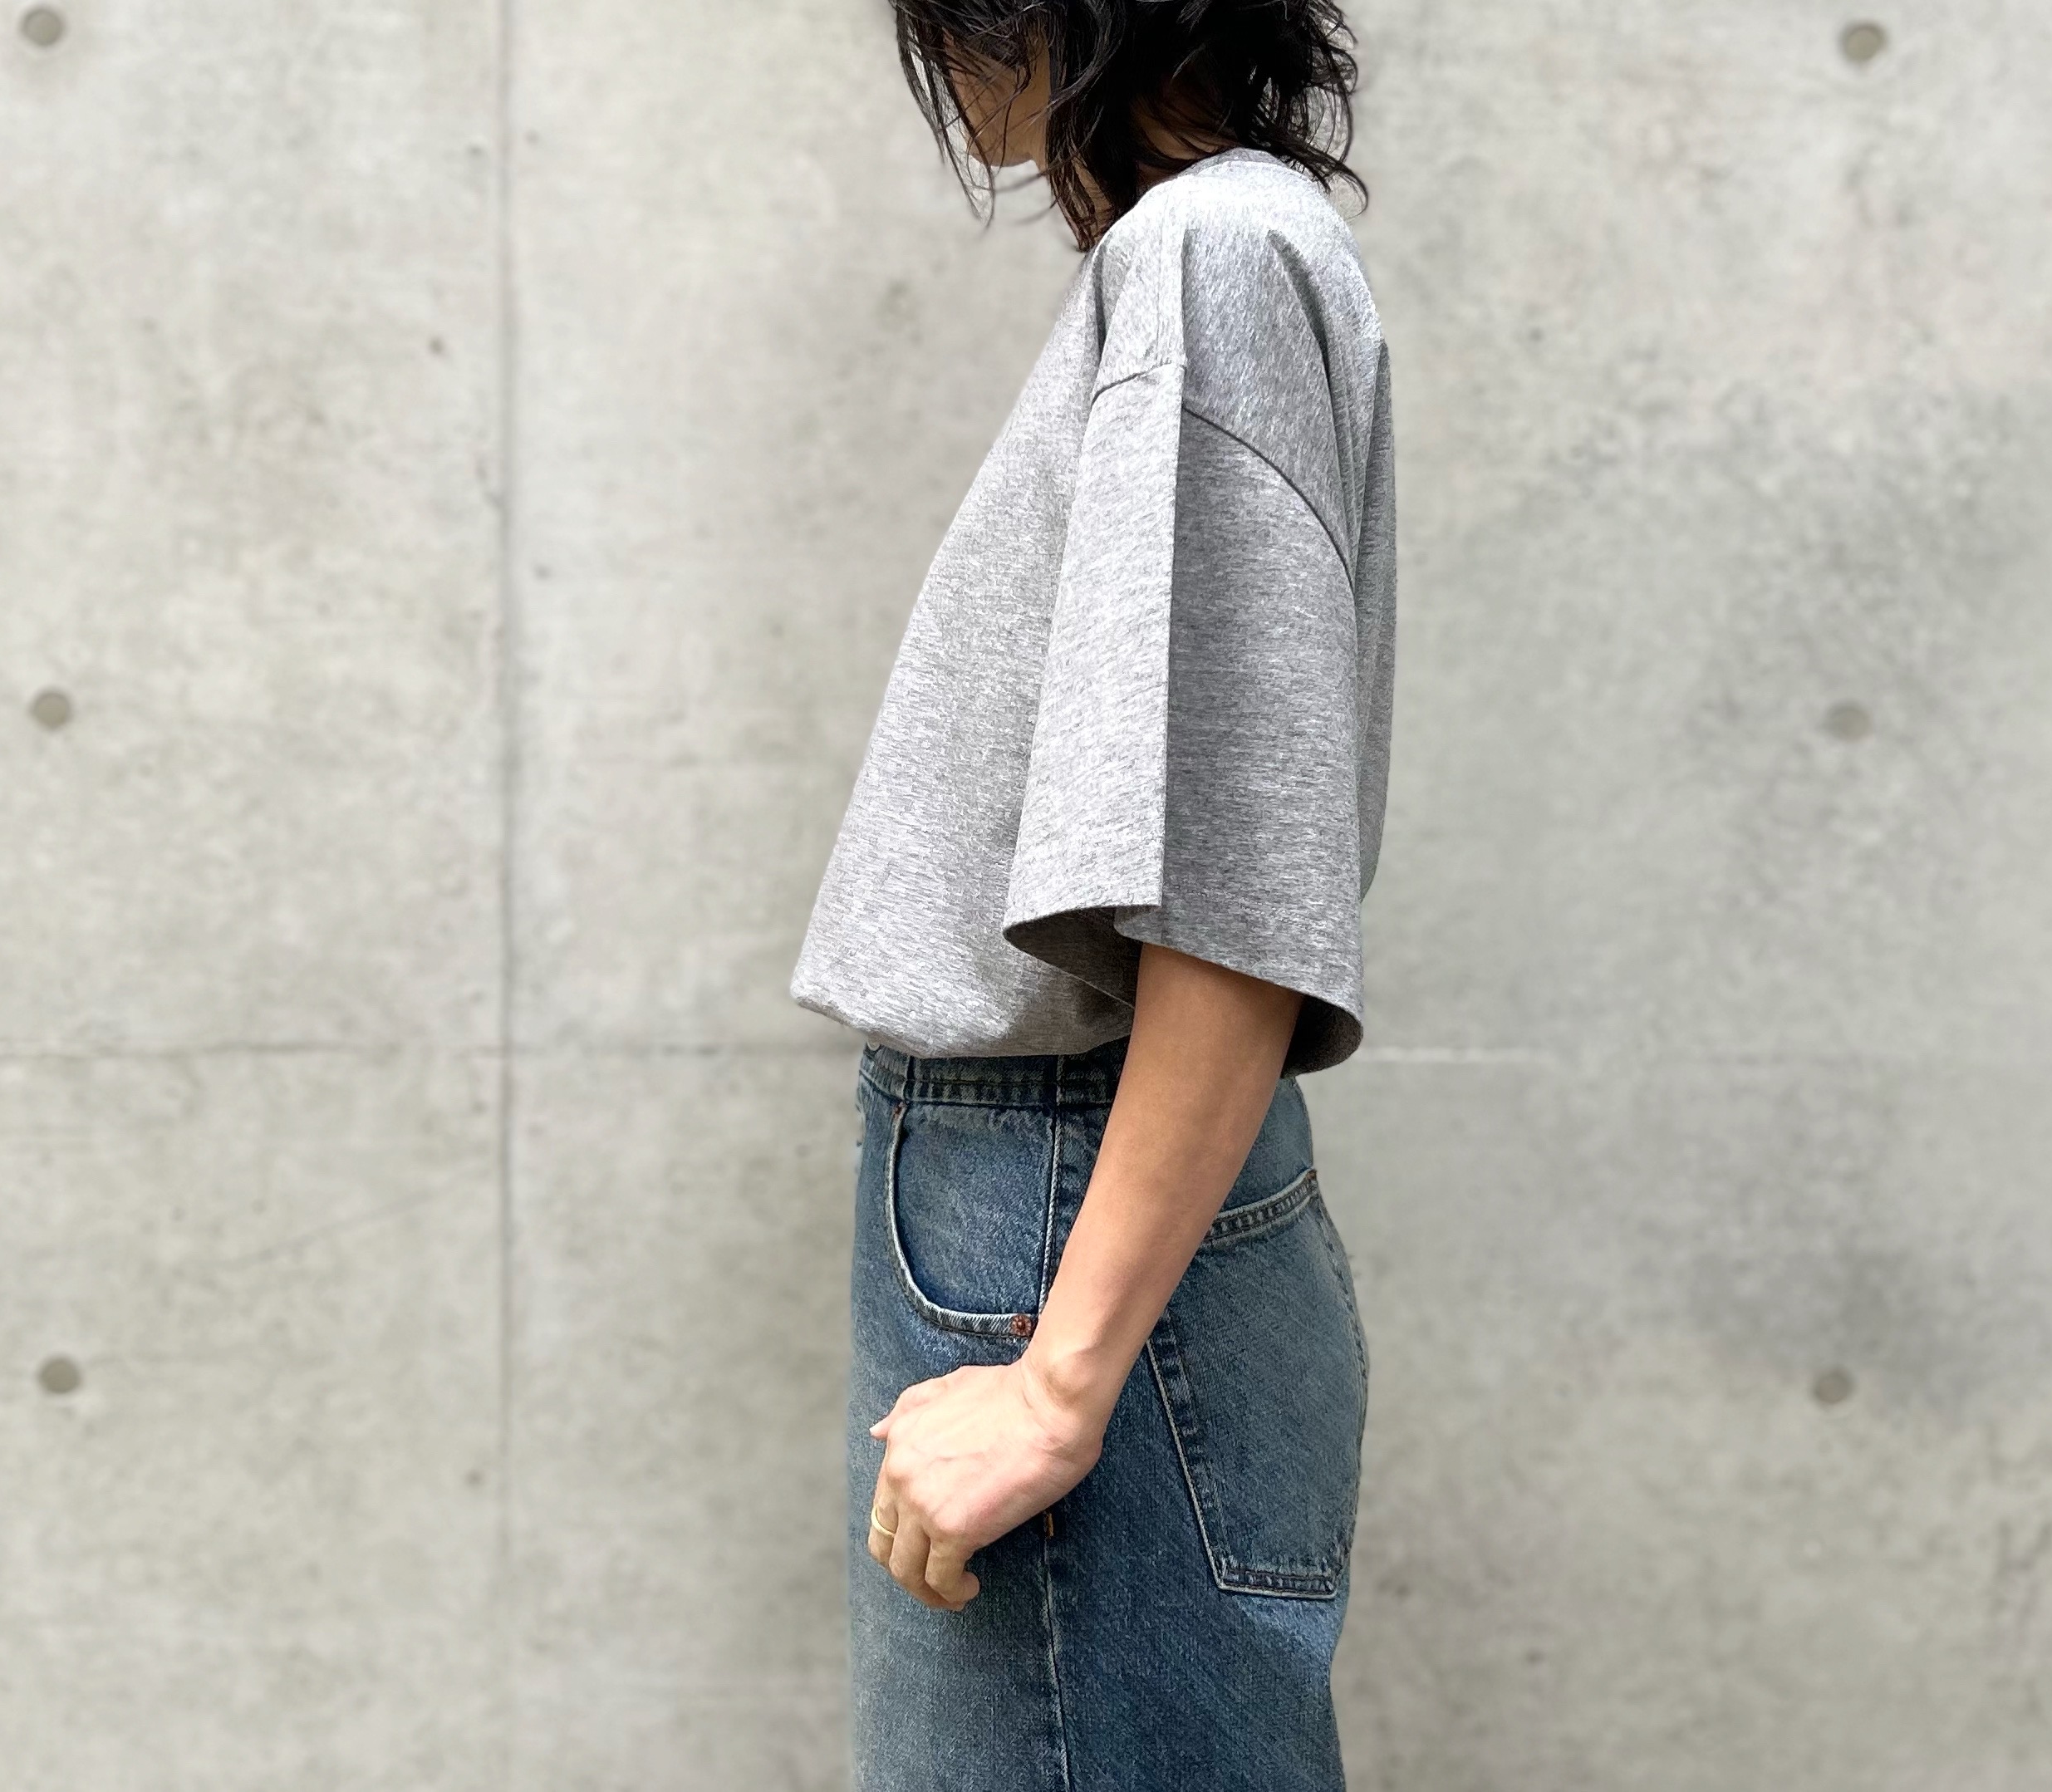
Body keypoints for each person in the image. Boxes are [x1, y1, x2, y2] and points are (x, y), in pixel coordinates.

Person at [790, 3, 1396, 1785]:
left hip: (1058, 1207)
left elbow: (1233, 891)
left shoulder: (1213, 257)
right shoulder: (1218, 251)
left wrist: (1058, 1380)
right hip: (1056, 1203)